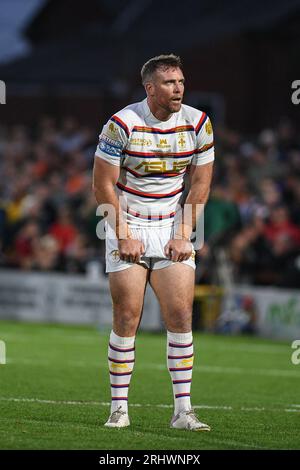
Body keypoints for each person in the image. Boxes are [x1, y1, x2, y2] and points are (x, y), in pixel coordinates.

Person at [93, 54, 214, 431]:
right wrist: (123, 234)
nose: (178, 88)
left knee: (180, 317)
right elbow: (102, 185)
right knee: (127, 317)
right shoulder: (121, 124)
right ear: (150, 88)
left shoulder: (198, 123)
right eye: (168, 83)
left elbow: (201, 183)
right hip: (127, 221)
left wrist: (183, 233)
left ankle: (183, 412)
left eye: (180, 81)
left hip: (170, 224)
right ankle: (118, 410)